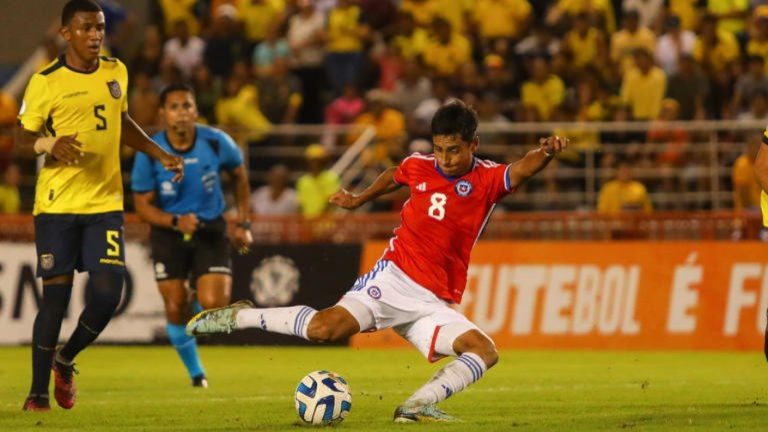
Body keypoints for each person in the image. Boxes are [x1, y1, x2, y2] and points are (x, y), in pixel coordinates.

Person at [187, 100, 567, 422]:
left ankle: (416, 407)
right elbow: (394, 174)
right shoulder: (420, 165)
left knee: (485, 351)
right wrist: (359, 199)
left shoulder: (487, 180)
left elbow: (522, 168)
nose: (446, 159)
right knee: (323, 329)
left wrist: (546, 152)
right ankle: (237, 316)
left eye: (454, 150)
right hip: (393, 279)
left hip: (435, 301)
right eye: (439, 149)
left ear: (474, 144)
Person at [16, 0, 184, 412]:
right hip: (57, 205)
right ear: (66, 33)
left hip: (105, 204)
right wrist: (47, 143)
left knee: (108, 293)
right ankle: (37, 393)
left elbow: (121, 121)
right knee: (54, 301)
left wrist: (158, 152)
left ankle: (65, 359)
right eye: (87, 28)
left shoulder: (116, 71)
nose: (96, 35)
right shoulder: (45, 81)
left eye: (100, 28)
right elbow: (19, 140)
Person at [131, 83, 253, 388]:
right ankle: (197, 374)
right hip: (168, 232)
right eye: (174, 107)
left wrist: (244, 224)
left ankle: (201, 314)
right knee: (174, 305)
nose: (182, 113)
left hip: (211, 229)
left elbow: (240, 179)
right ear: (163, 114)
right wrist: (174, 221)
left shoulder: (216, 142)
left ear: (196, 111)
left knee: (214, 306)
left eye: (187, 106)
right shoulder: (150, 152)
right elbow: (142, 207)